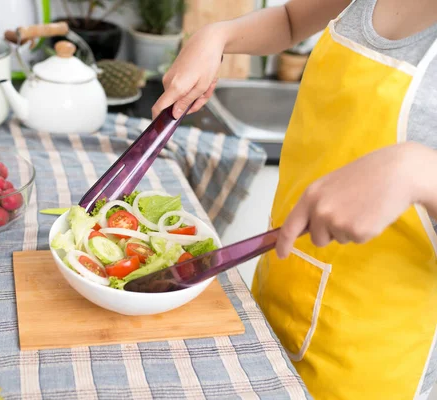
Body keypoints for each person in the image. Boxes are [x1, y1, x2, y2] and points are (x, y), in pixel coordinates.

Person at [152, 0, 437, 398]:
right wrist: (217, 35)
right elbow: (289, 21)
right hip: (281, 291)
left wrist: (420, 170)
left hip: (375, 359)